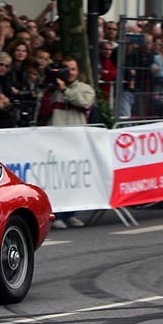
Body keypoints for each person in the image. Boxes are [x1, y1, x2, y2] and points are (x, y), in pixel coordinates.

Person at [38, 57, 95, 229]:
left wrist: (65, 90)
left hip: (75, 140)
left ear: (78, 72)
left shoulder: (85, 89)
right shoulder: (52, 90)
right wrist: (50, 89)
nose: (69, 72)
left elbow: (84, 102)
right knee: (56, 178)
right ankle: (58, 215)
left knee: (72, 178)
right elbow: (43, 111)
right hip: (55, 140)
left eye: (72, 69)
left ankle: (71, 214)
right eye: (66, 68)